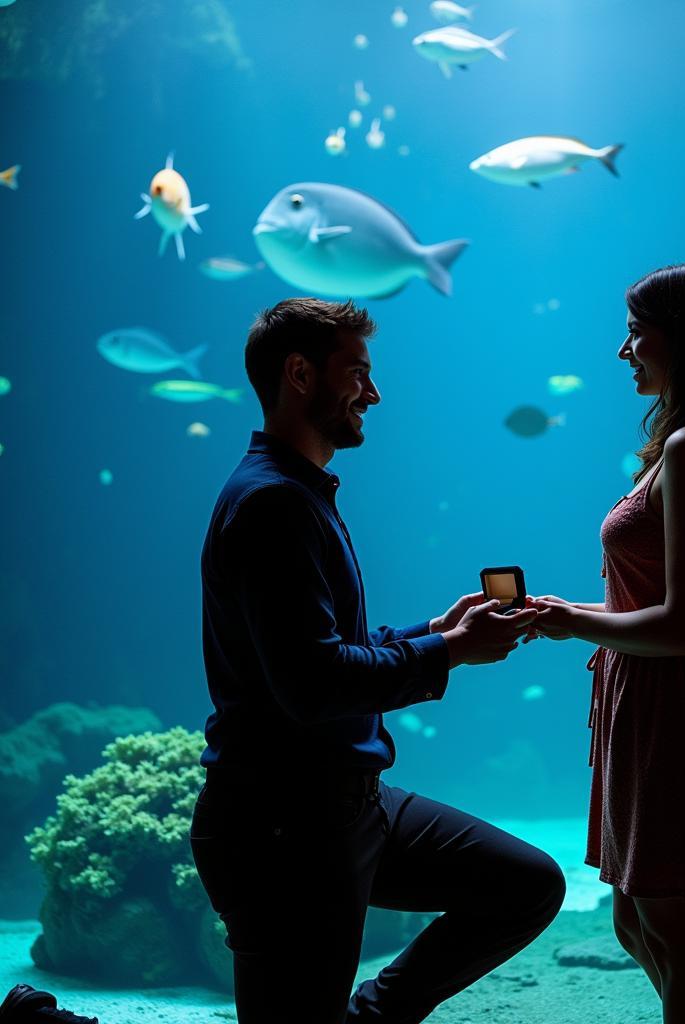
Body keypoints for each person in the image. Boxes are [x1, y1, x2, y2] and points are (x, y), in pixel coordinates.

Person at [189, 297, 564, 1024]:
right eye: (357, 371)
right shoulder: (272, 504)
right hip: (281, 825)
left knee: (526, 884)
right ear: (299, 374)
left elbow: (321, 650)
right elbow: (313, 684)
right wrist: (449, 651)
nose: (374, 392)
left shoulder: (302, 492)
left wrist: (434, 628)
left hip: (349, 803)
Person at [524, 262, 685, 1024]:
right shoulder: (682, 443)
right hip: (642, 700)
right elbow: (655, 604)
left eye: (637, 332)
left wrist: (575, 623)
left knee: (680, 934)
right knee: (637, 922)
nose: (623, 350)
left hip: (676, 707)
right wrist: (565, 609)